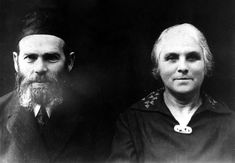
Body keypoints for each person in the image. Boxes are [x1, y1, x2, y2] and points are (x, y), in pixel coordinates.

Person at [109, 23, 235, 163]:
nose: (182, 67)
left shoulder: (229, 122)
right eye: (171, 58)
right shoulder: (133, 121)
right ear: (158, 67)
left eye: (192, 57)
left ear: (206, 65)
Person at [0, 9, 109, 162]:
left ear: (69, 62)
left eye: (51, 58)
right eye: (30, 58)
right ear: (16, 62)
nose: (39, 68)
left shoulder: (96, 117)